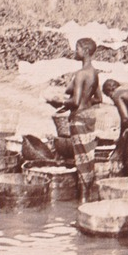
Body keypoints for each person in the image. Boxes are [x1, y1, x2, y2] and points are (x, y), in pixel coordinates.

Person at [46, 38, 104, 202]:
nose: (75, 52)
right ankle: (88, 195)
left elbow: (75, 102)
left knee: (80, 159)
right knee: (88, 157)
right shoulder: (94, 73)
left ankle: (83, 199)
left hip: (79, 118)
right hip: (89, 117)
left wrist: (57, 102)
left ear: (85, 51)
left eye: (77, 49)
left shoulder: (81, 74)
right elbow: (98, 98)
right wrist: (86, 101)